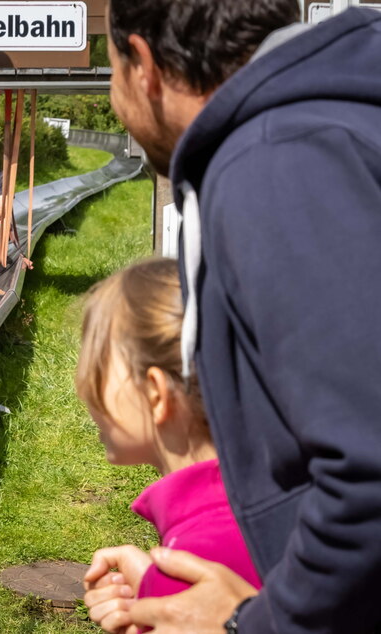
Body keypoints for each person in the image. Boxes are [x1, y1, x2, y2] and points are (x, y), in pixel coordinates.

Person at [85, 2, 381, 632]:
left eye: (110, 72)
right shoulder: (335, 122)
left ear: (144, 64)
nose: (116, 103)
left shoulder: (278, 161)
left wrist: (254, 622)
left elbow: (370, 467)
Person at [75, 258, 261, 629]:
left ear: (157, 394)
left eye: (96, 365)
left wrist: (162, 593)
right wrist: (150, 586)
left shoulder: (198, 561)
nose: (83, 389)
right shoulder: (256, 505)